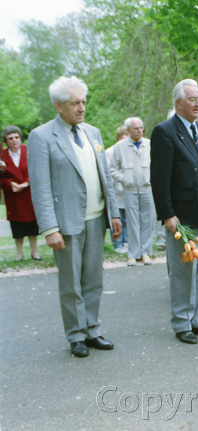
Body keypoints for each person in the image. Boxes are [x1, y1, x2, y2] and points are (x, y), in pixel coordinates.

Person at [27, 76, 122, 357]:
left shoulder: (92, 132)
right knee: (71, 283)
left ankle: (92, 329)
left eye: (83, 102)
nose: (81, 108)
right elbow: (41, 187)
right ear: (58, 106)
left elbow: (105, 176)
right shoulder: (41, 136)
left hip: (96, 219)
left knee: (94, 279)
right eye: (74, 103)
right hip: (66, 223)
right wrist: (49, 228)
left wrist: (114, 214)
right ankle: (76, 335)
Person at [150, 78, 198, 345]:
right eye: (192, 99)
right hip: (183, 216)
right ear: (178, 103)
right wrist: (167, 214)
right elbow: (159, 178)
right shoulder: (164, 132)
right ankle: (182, 322)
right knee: (184, 272)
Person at [109, 117, 155, 267]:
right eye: (136, 128)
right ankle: (133, 254)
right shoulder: (120, 147)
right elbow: (112, 169)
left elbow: (157, 164)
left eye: (141, 128)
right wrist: (124, 179)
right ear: (128, 130)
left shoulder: (149, 144)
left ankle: (146, 252)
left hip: (147, 188)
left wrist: (152, 178)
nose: (140, 131)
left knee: (148, 220)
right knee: (132, 221)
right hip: (129, 189)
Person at [1, 126, 40, 261]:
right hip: (13, 195)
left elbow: (37, 169)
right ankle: (19, 253)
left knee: (32, 225)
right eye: (10, 138)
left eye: (16, 137)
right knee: (17, 227)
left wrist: (26, 183)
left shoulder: (29, 151)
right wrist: (9, 183)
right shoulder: (2, 155)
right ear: (5, 141)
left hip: (29, 193)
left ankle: (34, 252)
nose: (14, 140)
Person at [105, 126, 129, 254]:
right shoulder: (110, 152)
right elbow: (109, 172)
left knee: (127, 219)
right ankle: (117, 243)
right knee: (116, 218)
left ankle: (127, 242)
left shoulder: (128, 151)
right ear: (119, 137)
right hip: (115, 191)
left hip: (126, 191)